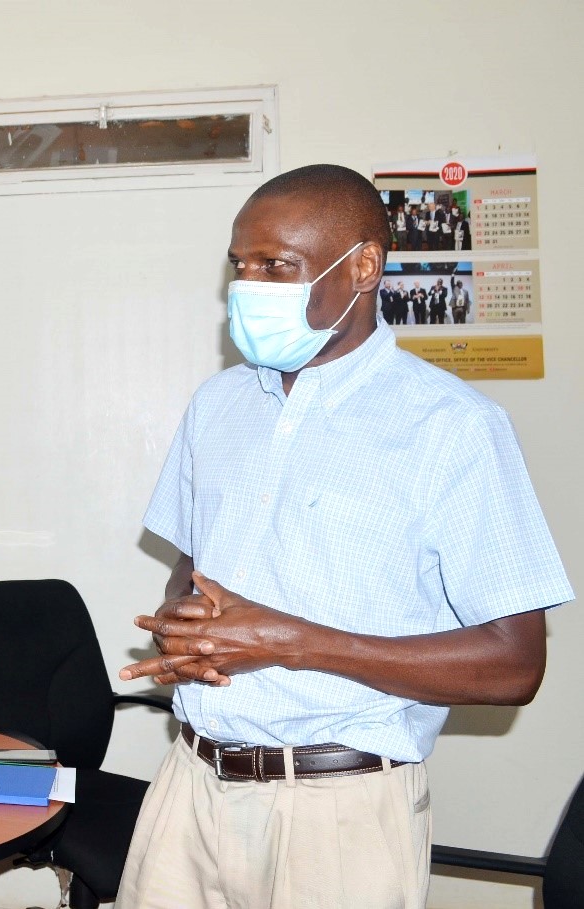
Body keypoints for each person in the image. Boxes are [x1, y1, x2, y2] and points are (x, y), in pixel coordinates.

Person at [115, 164, 571, 909]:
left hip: (339, 808)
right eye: (241, 266)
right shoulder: (217, 404)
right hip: (190, 785)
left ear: (363, 266)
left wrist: (290, 641)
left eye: (277, 266)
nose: (249, 287)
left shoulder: (452, 428)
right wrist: (184, 623)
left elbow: (513, 665)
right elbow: (192, 566)